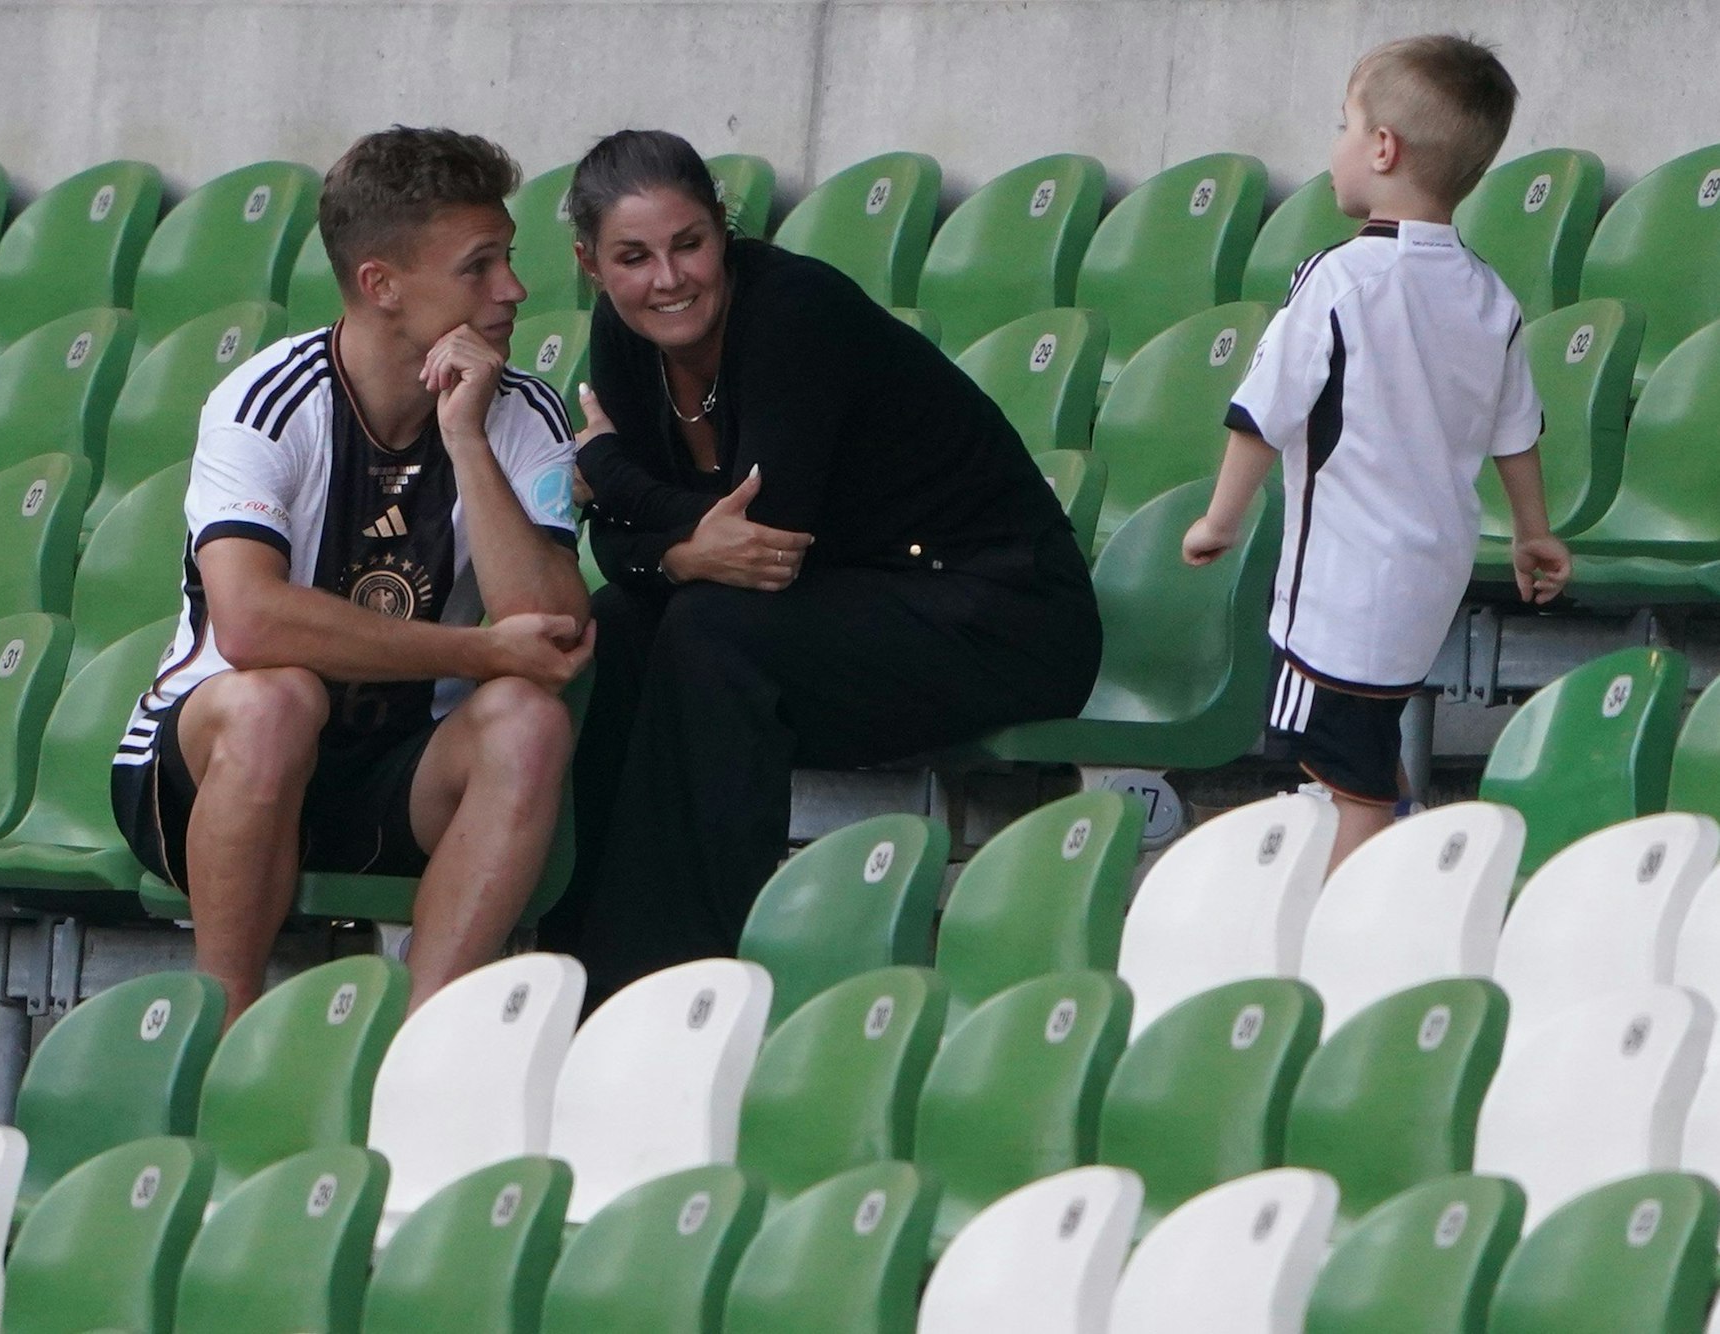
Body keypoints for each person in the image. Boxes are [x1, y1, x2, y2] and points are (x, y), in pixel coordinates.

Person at [539, 129, 1102, 1006]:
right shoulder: (625, 334)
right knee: (613, 624)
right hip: (849, 606)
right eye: (633, 256)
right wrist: (678, 545)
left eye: (688, 244)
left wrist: (610, 470)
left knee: (711, 628)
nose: (668, 278)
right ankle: (566, 964)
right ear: (590, 263)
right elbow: (615, 546)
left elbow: (768, 540)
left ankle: (668, 983)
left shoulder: (796, 311)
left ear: (722, 233)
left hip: (998, 613)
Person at [112, 127, 594, 1021]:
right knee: (276, 701)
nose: (514, 291)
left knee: (527, 722)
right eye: (479, 267)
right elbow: (251, 626)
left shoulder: (520, 407)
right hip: (206, 776)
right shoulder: (263, 401)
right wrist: (479, 648)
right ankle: (227, 1028)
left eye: (508, 260)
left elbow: (553, 633)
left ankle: (418, 1044)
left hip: (400, 777)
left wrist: (466, 438)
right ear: (381, 284)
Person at [1182, 35, 1573, 870]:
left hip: (1340, 590)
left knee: (1347, 778)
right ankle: (1400, 850)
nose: (1334, 146)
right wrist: (1534, 532)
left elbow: (1262, 412)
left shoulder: (1337, 279)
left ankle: (1350, 928)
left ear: (1383, 147)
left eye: (1342, 124)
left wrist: (1220, 517)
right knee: (1364, 741)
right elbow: (1517, 429)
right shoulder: (1488, 294)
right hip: (1427, 575)